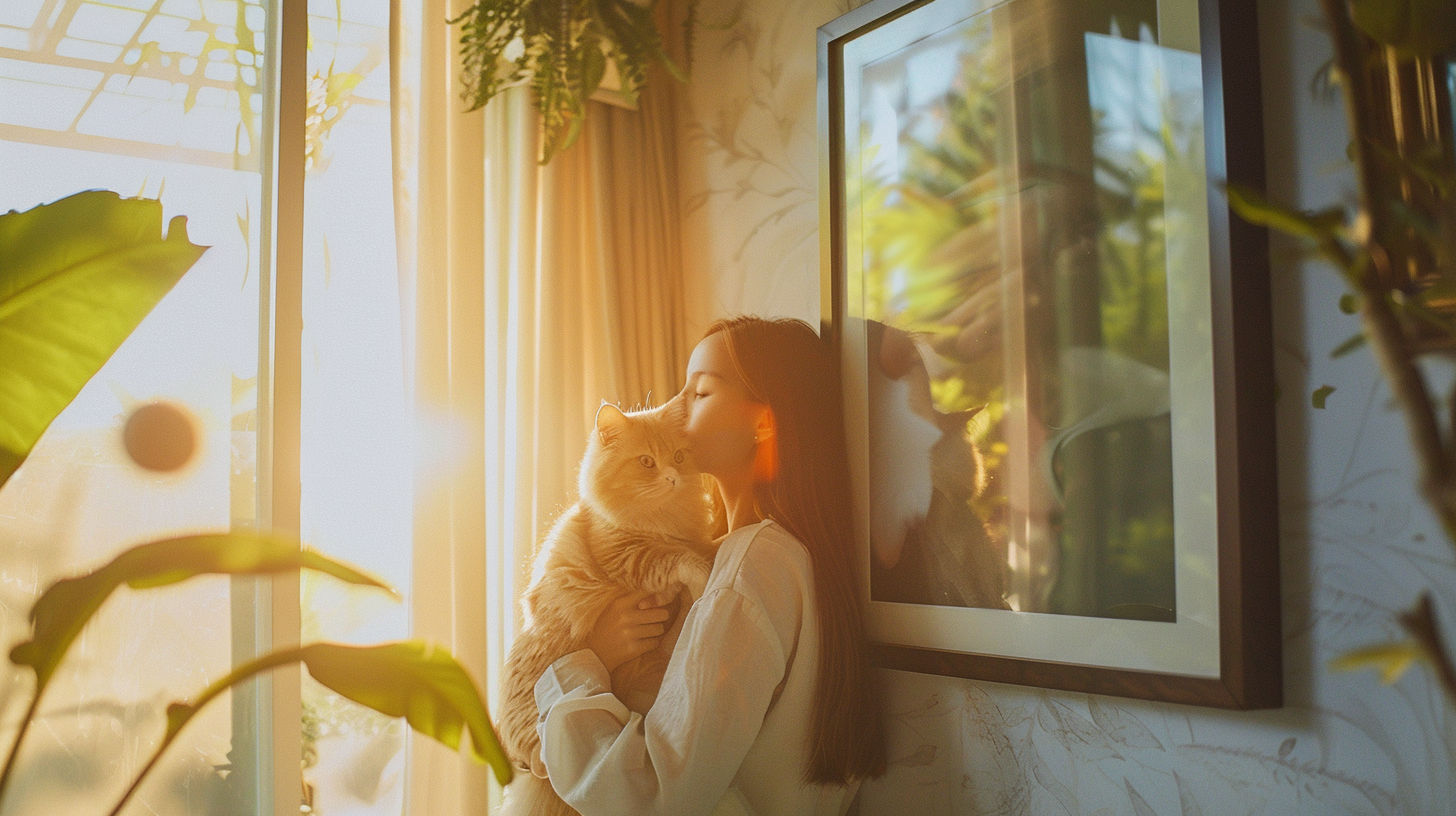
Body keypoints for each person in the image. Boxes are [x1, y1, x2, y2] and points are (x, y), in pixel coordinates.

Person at [531, 316, 888, 815]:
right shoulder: (757, 553)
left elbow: (654, 795)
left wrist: (579, 665)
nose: (677, 406)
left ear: (763, 421)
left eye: (699, 392)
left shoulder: (753, 565)